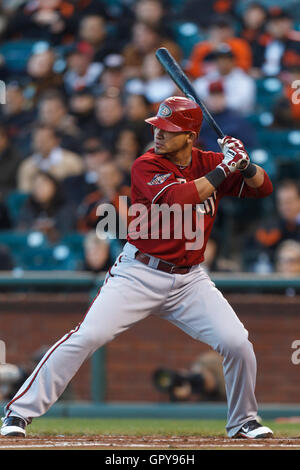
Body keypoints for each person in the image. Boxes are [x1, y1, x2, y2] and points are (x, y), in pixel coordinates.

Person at [1, 96, 273, 440]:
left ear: (190, 136)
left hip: (190, 280)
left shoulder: (208, 161)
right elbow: (180, 199)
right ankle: (17, 413)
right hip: (139, 273)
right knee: (88, 336)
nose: (158, 134)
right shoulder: (146, 164)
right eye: (157, 127)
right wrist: (226, 167)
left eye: (168, 130)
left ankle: (243, 420)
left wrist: (245, 164)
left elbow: (264, 188)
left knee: (237, 343)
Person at [193, 43, 256, 115]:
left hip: (237, 118)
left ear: (233, 61)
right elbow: (196, 90)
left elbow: (244, 102)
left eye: (226, 59)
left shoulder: (244, 80)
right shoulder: (209, 77)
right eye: (219, 59)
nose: (222, 62)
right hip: (213, 116)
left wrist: (223, 103)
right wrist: (209, 101)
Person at [18, 124, 84, 193]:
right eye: (37, 139)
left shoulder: (72, 161)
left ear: (56, 141)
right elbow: (24, 192)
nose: (41, 143)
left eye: (45, 139)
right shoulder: (26, 166)